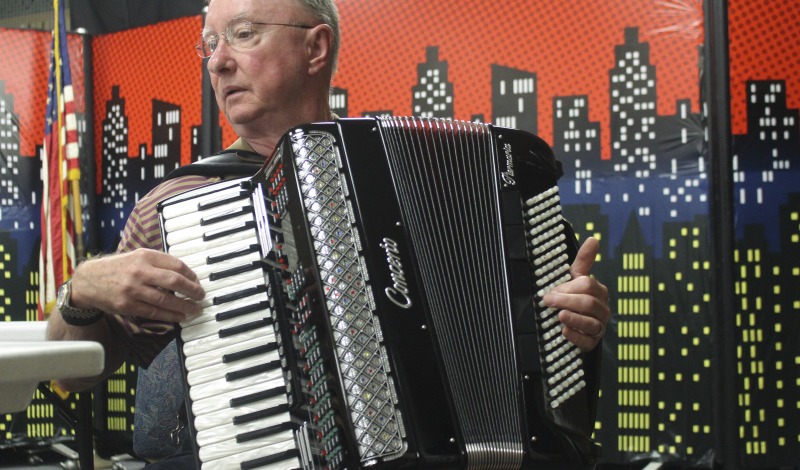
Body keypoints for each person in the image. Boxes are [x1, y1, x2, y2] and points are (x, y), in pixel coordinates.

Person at [46, 0, 611, 467]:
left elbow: (550, 370)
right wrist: (80, 292)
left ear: (315, 48)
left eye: (242, 35)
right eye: (209, 44)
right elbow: (70, 376)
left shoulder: (432, 167)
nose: (217, 63)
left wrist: (575, 330)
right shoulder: (179, 205)